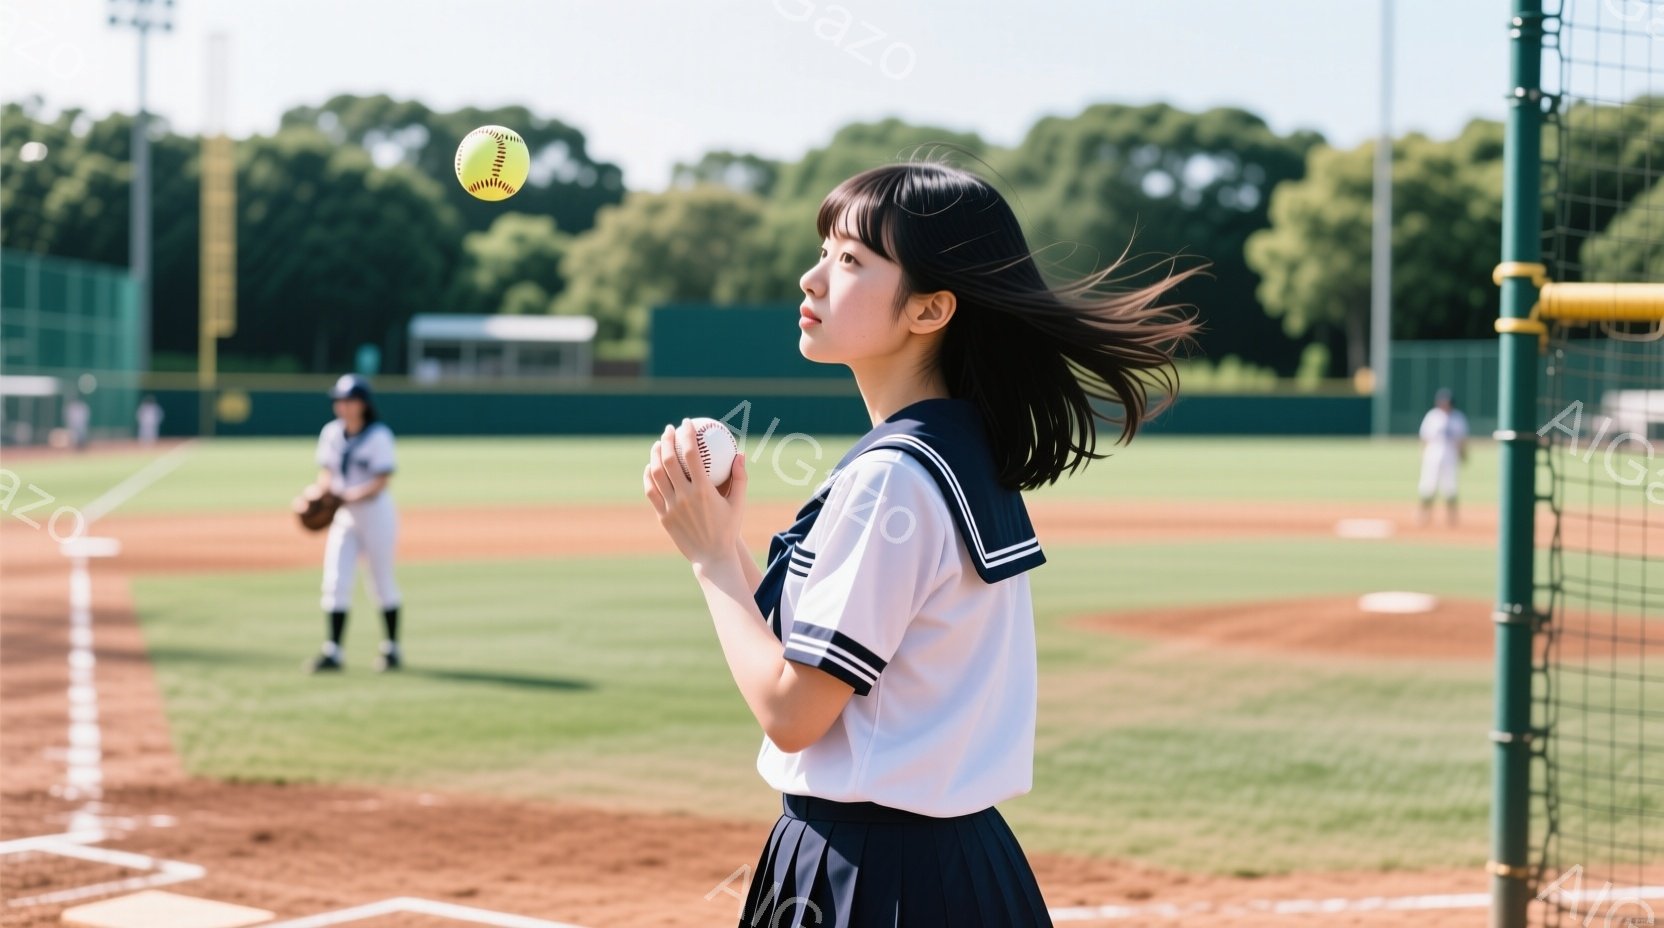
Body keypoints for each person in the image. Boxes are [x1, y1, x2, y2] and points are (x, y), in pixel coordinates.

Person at [642, 162, 1201, 926]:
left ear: (931, 308)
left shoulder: (891, 478)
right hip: (959, 863)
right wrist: (719, 538)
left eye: (850, 260)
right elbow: (808, 658)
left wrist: (711, 561)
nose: (811, 278)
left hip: (873, 872)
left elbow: (793, 712)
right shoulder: (951, 447)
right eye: (824, 252)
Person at [307, 374, 403, 673]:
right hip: (344, 517)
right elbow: (327, 473)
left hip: (376, 516)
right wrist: (319, 493)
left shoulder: (379, 436)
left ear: (362, 404)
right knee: (335, 580)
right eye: (339, 400)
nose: (342, 406)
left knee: (381, 581)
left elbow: (381, 482)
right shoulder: (331, 433)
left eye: (348, 400)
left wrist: (346, 496)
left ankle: (392, 649)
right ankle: (333, 651)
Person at [1418, 387, 1469, 527]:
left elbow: (1462, 439)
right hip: (1432, 455)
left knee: (1450, 487)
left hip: (1450, 456)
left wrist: (1463, 454)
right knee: (1428, 485)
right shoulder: (1432, 416)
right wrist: (1422, 453)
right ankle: (1424, 515)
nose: (1444, 405)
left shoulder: (1458, 417)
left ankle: (1452, 518)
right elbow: (1424, 437)